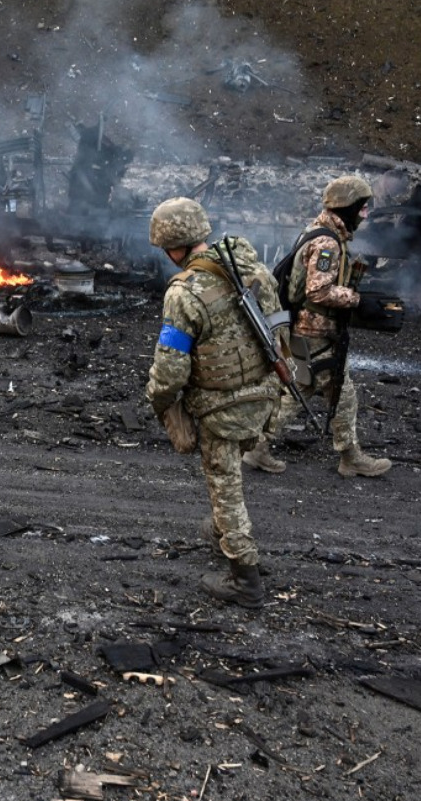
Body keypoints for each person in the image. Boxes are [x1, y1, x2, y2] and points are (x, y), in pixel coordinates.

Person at [145, 197, 279, 609]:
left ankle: (245, 576)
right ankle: (225, 532)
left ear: (173, 247)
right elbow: (279, 331)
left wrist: (159, 401)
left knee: (225, 487)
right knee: (231, 474)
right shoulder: (253, 269)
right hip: (265, 395)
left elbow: (170, 370)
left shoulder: (184, 293)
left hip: (221, 409)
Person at [242, 175, 392, 478]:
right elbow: (317, 291)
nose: (364, 215)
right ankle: (350, 457)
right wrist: (357, 300)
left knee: (301, 389)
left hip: (303, 328)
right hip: (315, 331)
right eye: (362, 208)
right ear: (347, 207)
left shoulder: (316, 230)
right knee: (339, 392)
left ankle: (257, 448)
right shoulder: (327, 243)